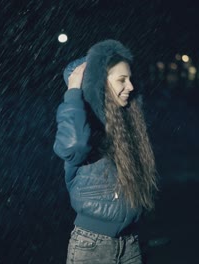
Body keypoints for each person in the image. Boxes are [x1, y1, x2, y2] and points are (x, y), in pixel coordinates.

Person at [54, 39, 158, 263]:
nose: (130, 86)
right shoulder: (83, 124)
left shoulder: (124, 123)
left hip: (130, 242)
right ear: (99, 83)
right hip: (93, 245)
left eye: (130, 79)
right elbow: (74, 148)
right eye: (122, 80)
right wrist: (74, 91)